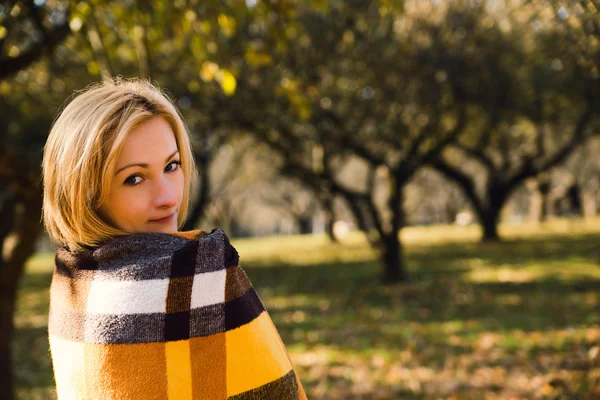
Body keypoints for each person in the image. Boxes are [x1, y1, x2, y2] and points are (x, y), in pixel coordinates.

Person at [42, 78, 306, 400]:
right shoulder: (200, 272)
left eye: (172, 165)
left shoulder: (71, 282)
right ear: (85, 192)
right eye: (134, 178)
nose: (167, 197)